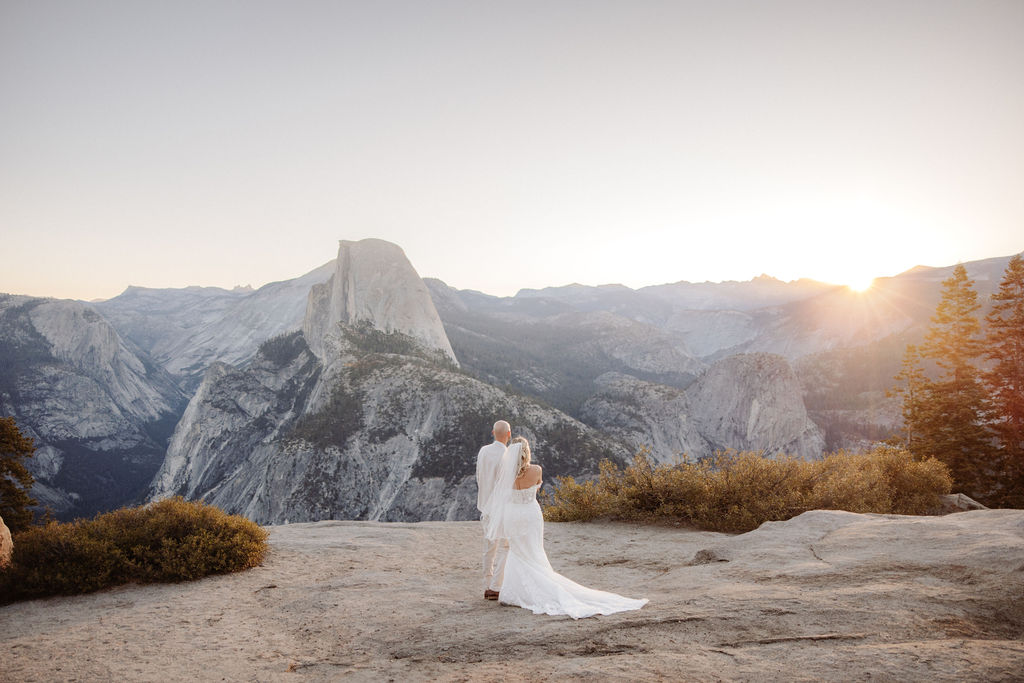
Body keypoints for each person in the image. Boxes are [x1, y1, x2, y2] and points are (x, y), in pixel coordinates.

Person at [482, 436, 648, 618]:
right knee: (534, 549)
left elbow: (502, 494)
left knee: (516, 550)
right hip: (530, 514)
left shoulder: (506, 474)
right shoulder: (536, 470)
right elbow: (536, 488)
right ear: (527, 452)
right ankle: (538, 585)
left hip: (512, 515)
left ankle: (513, 592)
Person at [476, 420, 511, 600]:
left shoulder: (483, 451)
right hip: (502, 507)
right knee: (505, 546)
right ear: (509, 434)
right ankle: (497, 586)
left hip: (486, 505)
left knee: (489, 547)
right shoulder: (507, 455)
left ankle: (487, 584)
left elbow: (479, 476)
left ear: (492, 432)